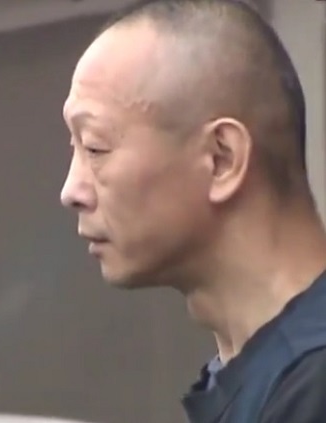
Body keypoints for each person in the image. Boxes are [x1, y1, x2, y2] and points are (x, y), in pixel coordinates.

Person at [59, 0, 326, 422]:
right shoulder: (262, 380)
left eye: (95, 148)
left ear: (221, 158)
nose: (71, 191)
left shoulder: (314, 386)